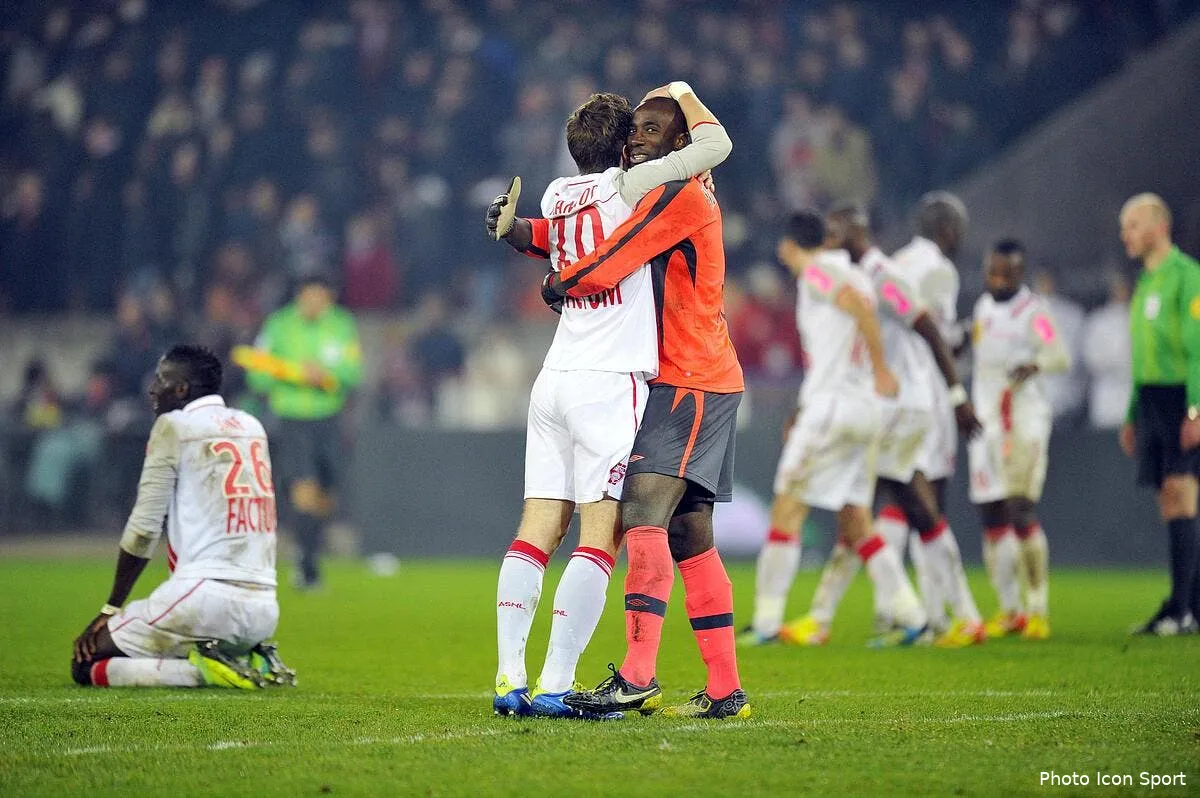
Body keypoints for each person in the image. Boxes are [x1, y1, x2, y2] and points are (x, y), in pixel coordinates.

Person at [486, 84, 732, 720]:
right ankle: (561, 683)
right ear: (622, 144)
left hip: (579, 378)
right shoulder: (636, 189)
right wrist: (549, 261)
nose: (642, 141)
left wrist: (523, 239)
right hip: (618, 380)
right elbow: (612, 239)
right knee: (622, 530)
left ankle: (517, 676)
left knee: (557, 526)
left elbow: (571, 241)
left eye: (655, 129)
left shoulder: (566, 194)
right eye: (637, 131)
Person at [769, 205, 980, 647]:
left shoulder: (882, 275)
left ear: (857, 230)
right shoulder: (854, 272)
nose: (828, 236)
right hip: (882, 403)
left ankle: (950, 616)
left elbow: (925, 327)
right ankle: (894, 615)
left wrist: (956, 394)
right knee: (865, 511)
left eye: (836, 228)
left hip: (901, 404)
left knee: (903, 508)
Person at [738, 211, 928, 649]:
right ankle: (912, 615)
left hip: (837, 408)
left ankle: (766, 622)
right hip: (862, 410)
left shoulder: (817, 273)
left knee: (787, 504)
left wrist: (881, 368)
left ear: (789, 246)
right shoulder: (854, 272)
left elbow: (857, 308)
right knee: (855, 518)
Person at [70, 345, 294, 689]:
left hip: (203, 600)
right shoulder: (252, 425)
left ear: (181, 389)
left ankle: (207, 672)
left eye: (161, 378)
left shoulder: (173, 426)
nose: (152, 388)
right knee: (170, 641)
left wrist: (112, 607)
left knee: (87, 662)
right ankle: (243, 658)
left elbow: (144, 529)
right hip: (265, 608)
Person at [967, 240, 1070, 640]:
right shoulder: (982, 309)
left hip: (1024, 420)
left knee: (1020, 509)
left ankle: (1038, 608)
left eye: (1007, 273)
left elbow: (1060, 356)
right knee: (992, 516)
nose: (998, 279)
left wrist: (1036, 363)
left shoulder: (1033, 312)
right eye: (993, 271)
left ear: (1019, 273)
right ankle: (1010, 610)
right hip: (985, 421)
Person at [245, 274, 362, 589]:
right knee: (304, 489)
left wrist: (326, 376)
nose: (312, 303)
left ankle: (305, 551)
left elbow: (353, 371)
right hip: (292, 417)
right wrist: (294, 376)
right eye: (307, 296)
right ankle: (308, 567)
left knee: (327, 495)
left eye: (318, 297)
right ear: (299, 296)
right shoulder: (279, 325)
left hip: (329, 418)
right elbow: (257, 373)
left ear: (328, 298)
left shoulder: (341, 325)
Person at [1119, 193, 1200, 635]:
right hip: (1151, 400)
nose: (1124, 234)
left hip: (1180, 399)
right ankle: (1186, 605)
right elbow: (1141, 356)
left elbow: (1197, 347)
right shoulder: (1146, 283)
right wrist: (1132, 413)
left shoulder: (1186, 276)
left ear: (1158, 227)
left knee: (1181, 493)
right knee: (1170, 500)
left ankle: (1181, 609)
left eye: (1132, 225)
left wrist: (1195, 407)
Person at [1082, 272, 1133, 430]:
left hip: (1133, 393)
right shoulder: (1098, 321)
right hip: (1107, 397)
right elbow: (1092, 359)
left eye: (1124, 288)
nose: (1121, 292)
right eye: (1117, 288)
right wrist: (1118, 362)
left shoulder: (1139, 317)